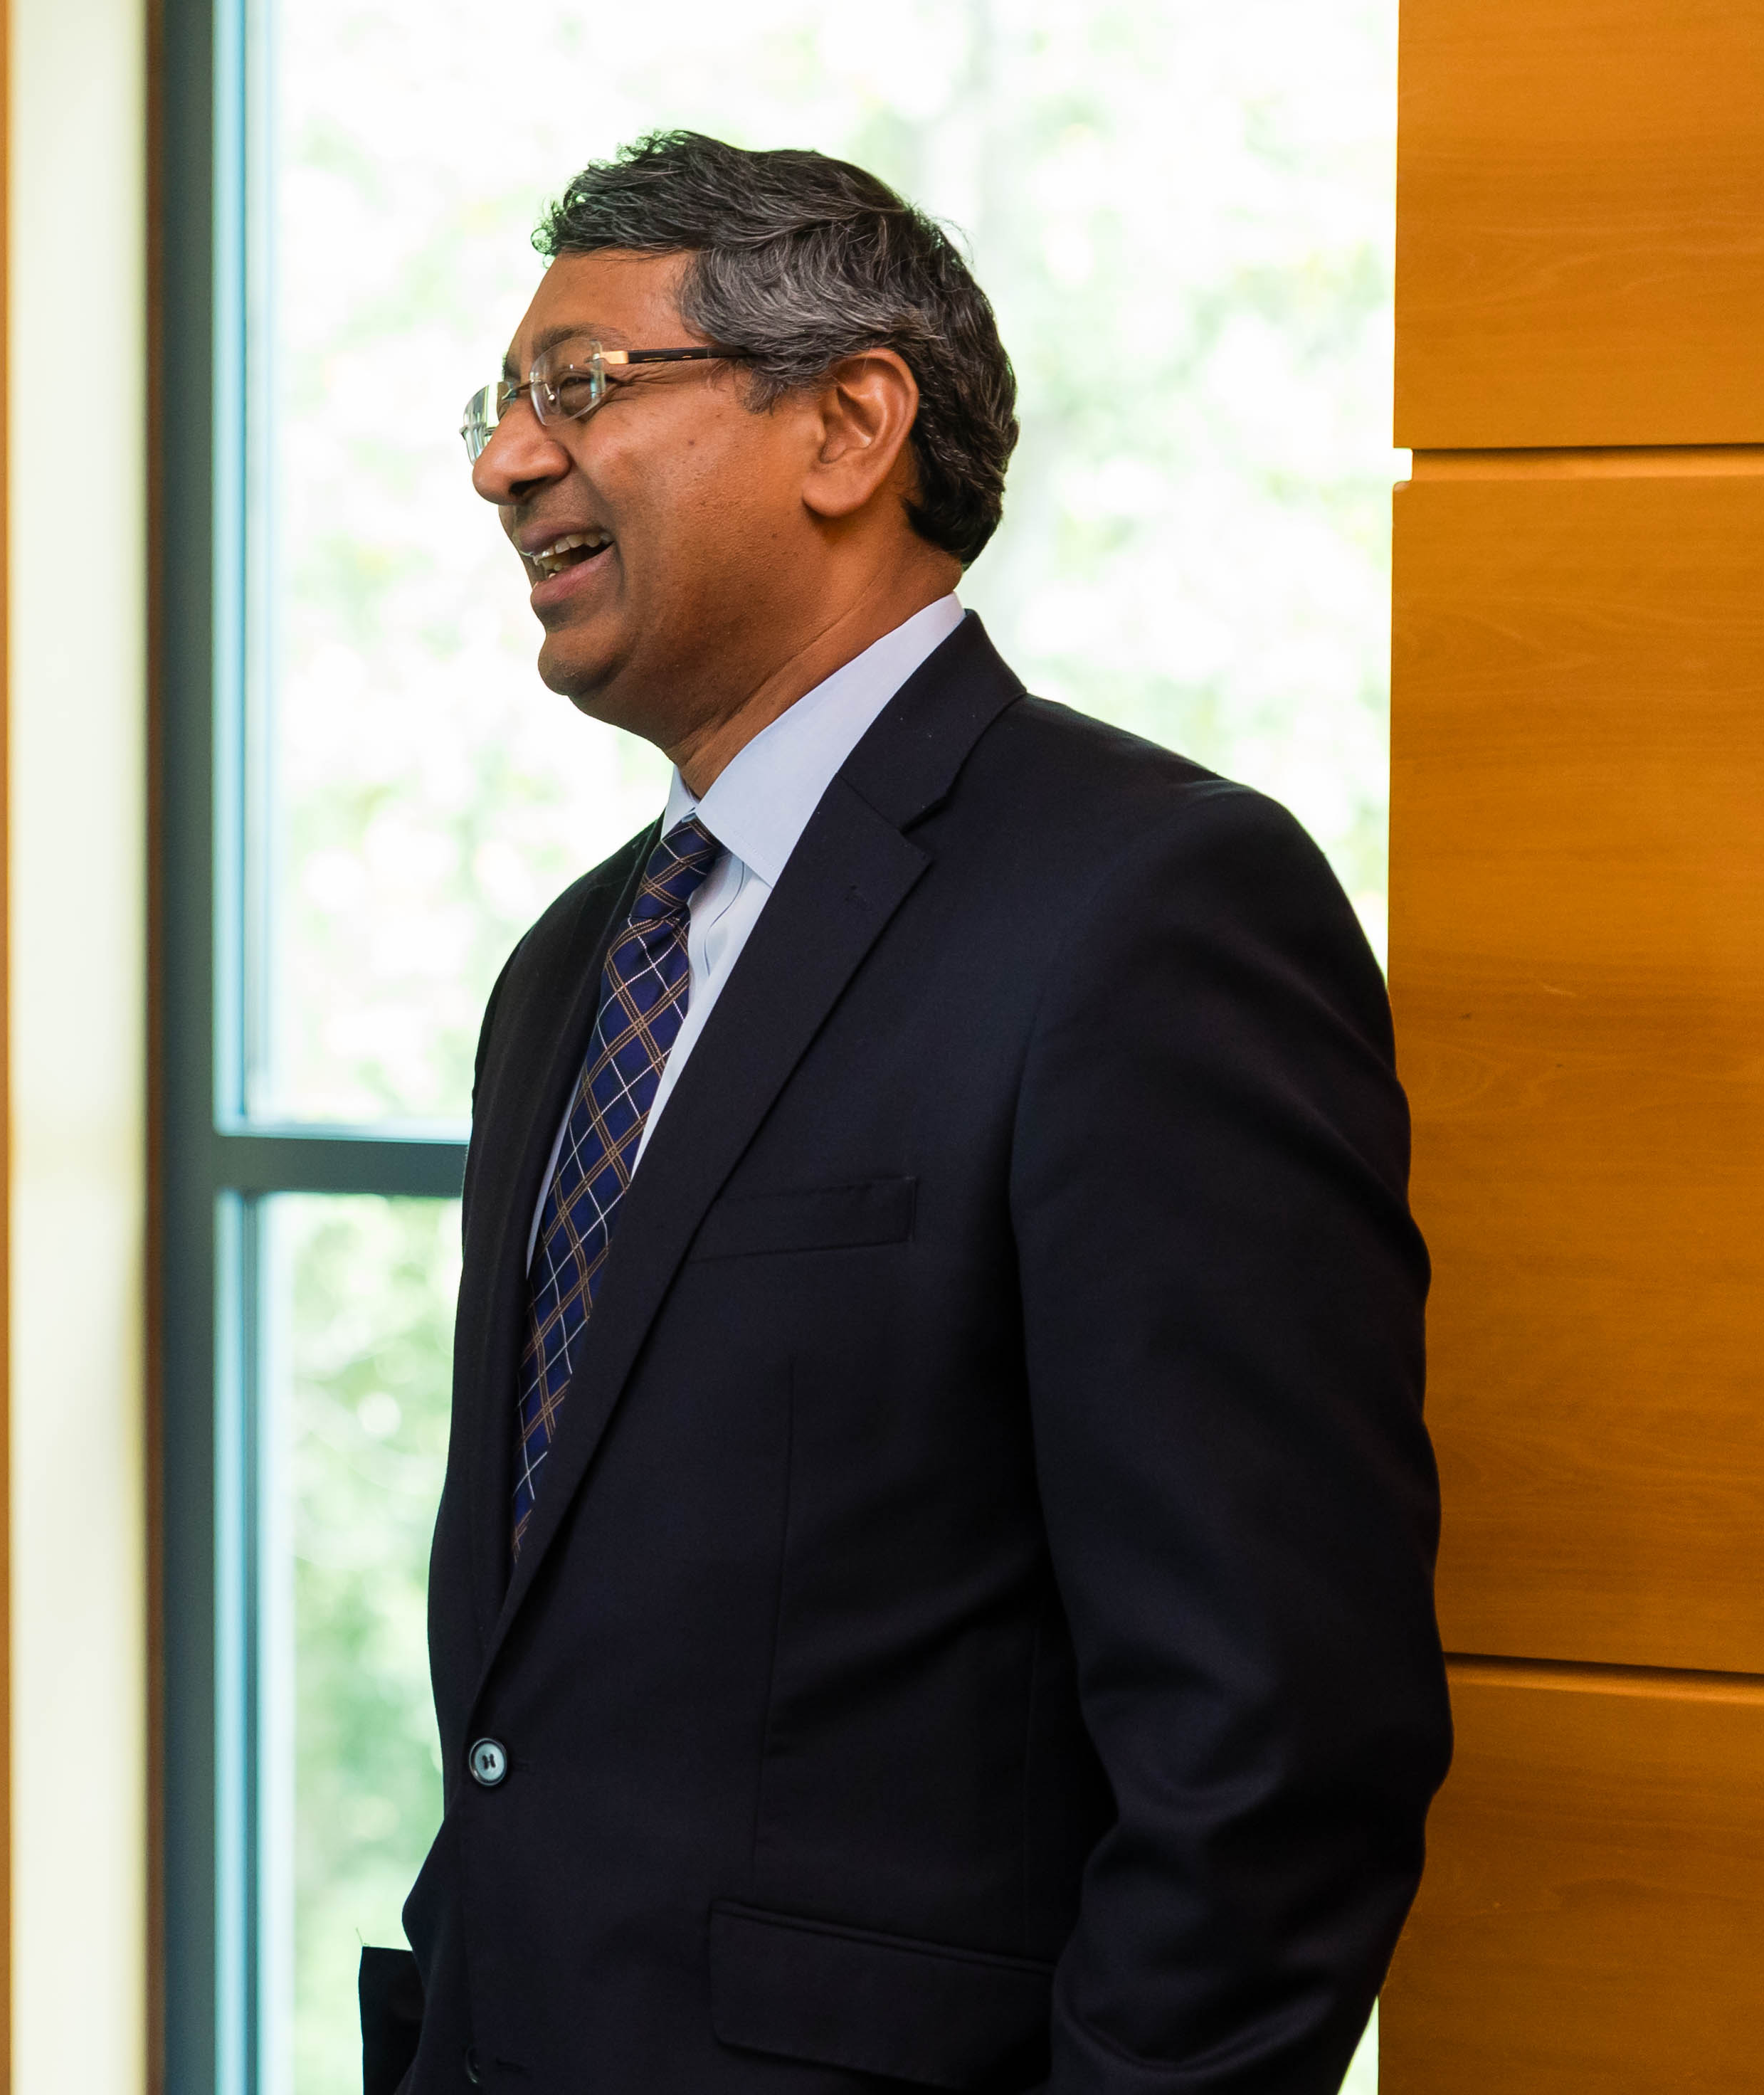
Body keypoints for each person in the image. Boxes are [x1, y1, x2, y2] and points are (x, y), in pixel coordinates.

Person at [363, 132, 1447, 2094]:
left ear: (852, 423)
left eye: (581, 386)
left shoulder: (1152, 911)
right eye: (497, 407)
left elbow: (1275, 1756)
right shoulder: (570, 971)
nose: (504, 462)